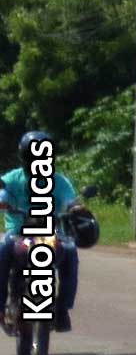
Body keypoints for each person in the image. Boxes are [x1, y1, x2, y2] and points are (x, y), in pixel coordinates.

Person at [0, 130, 81, 332]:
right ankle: (1, 307)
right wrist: (3, 201)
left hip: (48, 232)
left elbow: (71, 200)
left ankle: (62, 309)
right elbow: (3, 193)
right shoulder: (12, 178)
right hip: (18, 232)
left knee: (70, 251)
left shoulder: (59, 180)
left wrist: (75, 208)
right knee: (2, 250)